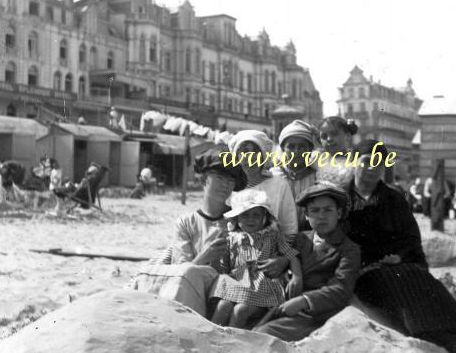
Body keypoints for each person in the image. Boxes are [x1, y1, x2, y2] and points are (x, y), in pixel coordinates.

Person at [345, 140, 456, 353]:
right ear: (353, 162)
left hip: (400, 263)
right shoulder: (340, 199)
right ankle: (449, 343)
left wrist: (399, 255)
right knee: (404, 294)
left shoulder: (394, 199)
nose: (371, 168)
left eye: (378, 163)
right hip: (363, 271)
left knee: (428, 284)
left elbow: (411, 238)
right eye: (366, 161)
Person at [130, 144, 250, 317]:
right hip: (187, 291)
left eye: (230, 180)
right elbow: (180, 271)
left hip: (221, 297)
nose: (225, 185)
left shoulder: (238, 221)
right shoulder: (186, 223)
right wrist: (206, 255)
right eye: (220, 177)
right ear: (203, 180)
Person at [253, 182, 361, 342]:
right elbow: (286, 262)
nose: (321, 216)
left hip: (318, 314)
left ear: (339, 213)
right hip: (284, 305)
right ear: (306, 215)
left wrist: (304, 301)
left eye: (328, 210)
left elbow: (341, 289)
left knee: (265, 334)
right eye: (315, 211)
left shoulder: (349, 249)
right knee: (251, 328)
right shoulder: (300, 239)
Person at [210, 189, 302, 329]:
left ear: (265, 217)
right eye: (245, 215)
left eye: (256, 215)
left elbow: (291, 255)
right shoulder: (231, 239)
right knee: (223, 306)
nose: (251, 219)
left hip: (262, 286)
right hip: (237, 283)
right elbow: (223, 266)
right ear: (237, 218)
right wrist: (216, 258)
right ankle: (210, 336)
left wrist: (297, 276)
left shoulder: (272, 235)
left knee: (240, 310)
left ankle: (232, 343)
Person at [228, 130, 298, 244]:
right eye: (244, 151)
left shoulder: (279, 184)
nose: (250, 157)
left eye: (256, 151)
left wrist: (282, 258)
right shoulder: (229, 186)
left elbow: (290, 228)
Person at [271, 119, 318, 230]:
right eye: (291, 147)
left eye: (301, 146)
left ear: (310, 149)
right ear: (283, 149)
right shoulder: (273, 176)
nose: (296, 151)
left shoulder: (318, 177)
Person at [315, 116, 358, 188]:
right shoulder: (318, 159)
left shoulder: (355, 160)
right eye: (324, 136)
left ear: (347, 136)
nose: (329, 139)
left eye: (334, 134)